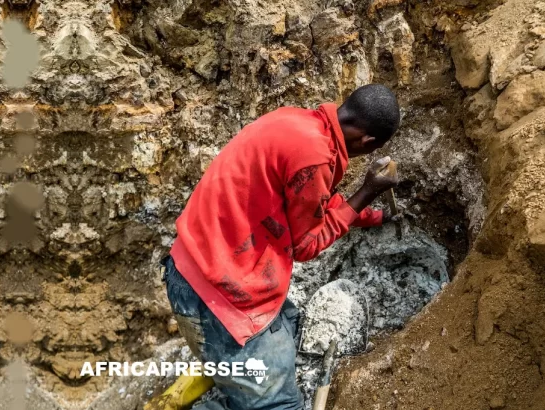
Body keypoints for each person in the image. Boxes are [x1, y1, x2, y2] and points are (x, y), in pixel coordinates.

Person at [159, 84, 401, 410]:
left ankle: (229, 382)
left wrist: (371, 215)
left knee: (290, 327)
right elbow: (306, 245)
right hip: (220, 303)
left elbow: (315, 201)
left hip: (192, 268)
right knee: (281, 405)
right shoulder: (315, 158)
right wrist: (368, 191)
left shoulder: (295, 123)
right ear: (368, 141)